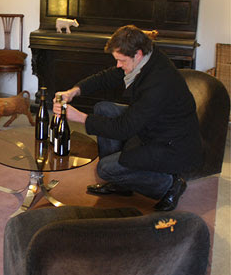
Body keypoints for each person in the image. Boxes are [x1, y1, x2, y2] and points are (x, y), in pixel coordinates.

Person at [53, 25, 203, 211]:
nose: (118, 65)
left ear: (137, 54)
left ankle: (170, 184)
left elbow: (124, 129)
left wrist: (80, 117)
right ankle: (121, 181)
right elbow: (108, 76)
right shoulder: (146, 59)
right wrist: (74, 91)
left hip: (171, 144)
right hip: (153, 125)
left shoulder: (158, 82)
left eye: (121, 60)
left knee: (104, 169)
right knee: (103, 109)